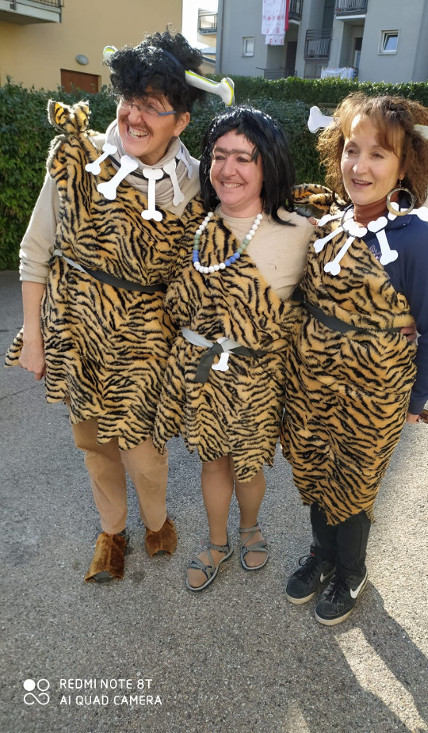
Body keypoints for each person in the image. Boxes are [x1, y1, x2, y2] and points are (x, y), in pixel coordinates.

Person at [5, 30, 211, 583]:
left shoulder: (197, 187)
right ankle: (112, 531)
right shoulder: (80, 158)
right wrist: (33, 335)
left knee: (143, 450)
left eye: (152, 105)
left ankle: (157, 520)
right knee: (94, 442)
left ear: (180, 120)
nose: (134, 116)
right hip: (76, 331)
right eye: (129, 99)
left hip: (147, 341)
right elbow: (35, 251)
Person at [282, 93, 428, 625]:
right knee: (315, 467)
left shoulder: (415, 240)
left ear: (405, 166)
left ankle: (351, 570)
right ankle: (322, 554)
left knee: (353, 483)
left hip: (373, 394)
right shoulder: (331, 224)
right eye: (351, 149)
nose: (360, 166)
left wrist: (415, 400)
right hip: (312, 383)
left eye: (379, 154)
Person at [153, 106, 314, 591]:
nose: (228, 169)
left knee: (248, 465)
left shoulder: (301, 232)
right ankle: (217, 541)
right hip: (204, 377)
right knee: (213, 461)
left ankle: (251, 528)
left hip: (257, 381)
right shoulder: (194, 228)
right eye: (219, 156)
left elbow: (334, 303)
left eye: (244, 158)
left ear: (268, 165)